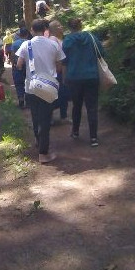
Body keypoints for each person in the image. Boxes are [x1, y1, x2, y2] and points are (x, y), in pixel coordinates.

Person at [16, 19, 65, 163]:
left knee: (35, 117)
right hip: (48, 87)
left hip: (31, 87)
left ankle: (39, 141)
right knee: (45, 120)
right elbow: (59, 67)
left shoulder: (26, 44)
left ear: (31, 30)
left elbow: (19, 65)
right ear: (45, 30)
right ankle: (43, 153)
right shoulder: (54, 44)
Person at [61, 17, 106, 146]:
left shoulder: (67, 40)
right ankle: (93, 138)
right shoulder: (91, 37)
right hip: (92, 76)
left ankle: (75, 131)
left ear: (69, 27)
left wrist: (64, 78)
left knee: (76, 105)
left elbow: (64, 61)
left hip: (74, 77)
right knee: (92, 107)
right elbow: (101, 53)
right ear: (81, 25)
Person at [47, 20, 69, 122]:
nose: (61, 27)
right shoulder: (52, 39)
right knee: (56, 94)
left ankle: (63, 116)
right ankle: (50, 117)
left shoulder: (60, 39)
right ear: (53, 29)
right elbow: (54, 56)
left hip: (62, 70)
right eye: (59, 26)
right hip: (56, 71)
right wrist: (58, 68)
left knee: (63, 94)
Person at [10, 26, 31, 110]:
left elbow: (12, 55)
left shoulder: (15, 43)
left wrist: (13, 63)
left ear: (20, 35)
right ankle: (28, 101)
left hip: (17, 65)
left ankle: (21, 100)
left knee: (19, 83)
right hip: (28, 66)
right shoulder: (30, 43)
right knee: (28, 82)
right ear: (27, 34)